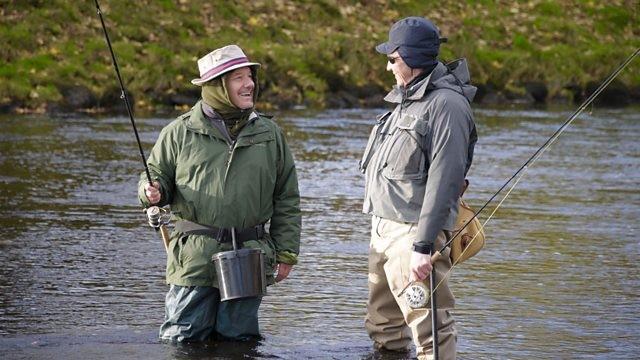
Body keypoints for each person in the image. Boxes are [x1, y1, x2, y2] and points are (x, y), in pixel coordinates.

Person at [138, 44, 301, 342]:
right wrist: (152, 192)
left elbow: (287, 197)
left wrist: (287, 251)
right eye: (238, 77)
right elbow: (155, 177)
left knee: (238, 341)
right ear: (216, 86)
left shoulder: (270, 134)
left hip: (249, 255)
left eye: (249, 76)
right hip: (193, 257)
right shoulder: (178, 132)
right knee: (183, 340)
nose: (249, 84)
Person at [360, 17, 477, 360]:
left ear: (411, 59)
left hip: (413, 236)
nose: (387, 66)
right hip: (383, 230)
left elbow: (445, 180)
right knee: (383, 326)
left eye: (393, 59)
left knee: (431, 332)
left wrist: (424, 246)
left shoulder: (448, 106)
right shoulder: (407, 99)